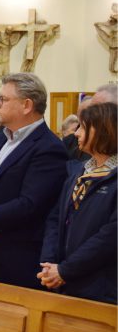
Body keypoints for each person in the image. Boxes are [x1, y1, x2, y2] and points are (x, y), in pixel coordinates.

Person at [0, 73, 67, 289]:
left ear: (26, 105)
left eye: (4, 99)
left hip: (14, 259)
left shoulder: (48, 148)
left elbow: (29, 205)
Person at [39, 103, 116, 304]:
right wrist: (50, 264)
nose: (76, 134)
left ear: (102, 130)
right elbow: (56, 218)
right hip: (64, 279)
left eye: (82, 127)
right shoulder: (78, 172)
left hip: (101, 287)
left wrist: (65, 270)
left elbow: (109, 238)